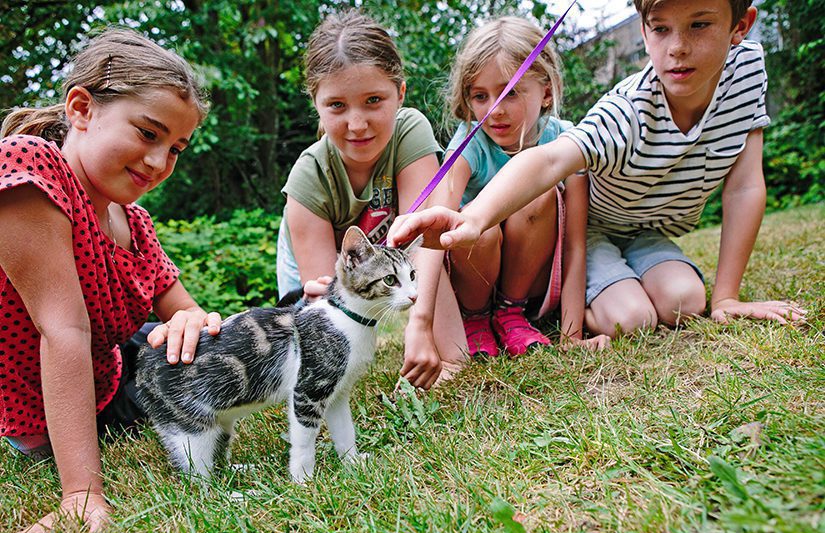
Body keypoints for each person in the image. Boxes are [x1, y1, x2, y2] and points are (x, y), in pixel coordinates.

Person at [389, 0, 806, 336]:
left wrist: (727, 297)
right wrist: (475, 217)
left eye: (700, 24)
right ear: (644, 31)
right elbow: (550, 160)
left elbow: (745, 184)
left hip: (646, 229)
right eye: (661, 28)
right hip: (591, 230)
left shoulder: (749, 67)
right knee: (632, 318)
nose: (678, 46)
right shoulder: (625, 111)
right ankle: (559, 309)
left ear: (741, 25)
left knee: (686, 301)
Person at [0, 29, 221, 533]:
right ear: (81, 108)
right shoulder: (30, 166)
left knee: (221, 344)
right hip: (51, 413)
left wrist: (191, 319)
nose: (159, 162)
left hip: (117, 376)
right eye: (148, 133)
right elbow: (62, 330)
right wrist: (81, 495)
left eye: (176, 149)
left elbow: (186, 310)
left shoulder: (135, 222)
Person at [275, 10, 466, 389]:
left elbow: (422, 242)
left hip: (397, 260)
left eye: (373, 100)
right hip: (327, 277)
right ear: (316, 102)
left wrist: (422, 324)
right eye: (337, 106)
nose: (357, 124)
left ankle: (454, 358)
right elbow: (332, 291)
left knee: (424, 253)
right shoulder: (308, 177)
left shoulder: (410, 130)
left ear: (401, 94)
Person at [438, 16, 609, 357]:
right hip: (473, 278)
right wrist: (426, 327)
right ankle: (475, 319)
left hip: (531, 284)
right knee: (473, 223)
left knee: (538, 190)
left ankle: (509, 314)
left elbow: (576, 243)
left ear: (546, 92)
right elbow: (437, 229)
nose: (494, 111)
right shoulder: (467, 146)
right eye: (480, 96)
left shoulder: (566, 141)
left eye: (510, 92)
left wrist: (572, 334)